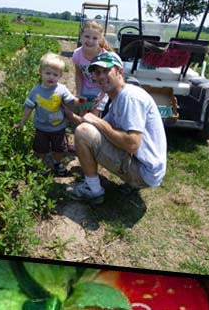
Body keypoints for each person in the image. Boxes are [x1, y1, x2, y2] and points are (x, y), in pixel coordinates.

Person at [64, 52, 167, 204]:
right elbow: (97, 131)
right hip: (146, 168)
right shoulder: (118, 99)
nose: (100, 76)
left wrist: (97, 122)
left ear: (119, 72)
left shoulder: (130, 97)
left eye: (106, 71)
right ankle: (129, 183)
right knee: (87, 130)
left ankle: (93, 190)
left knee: (83, 132)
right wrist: (70, 115)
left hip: (145, 172)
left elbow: (132, 144)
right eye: (97, 73)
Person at [14, 52, 81, 176]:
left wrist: (79, 101)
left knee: (59, 148)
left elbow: (71, 101)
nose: (51, 77)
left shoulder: (61, 89)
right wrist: (21, 122)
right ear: (41, 72)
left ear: (60, 75)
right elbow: (29, 107)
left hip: (58, 127)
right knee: (41, 148)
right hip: (41, 127)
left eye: (55, 75)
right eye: (48, 73)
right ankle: (42, 164)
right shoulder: (36, 90)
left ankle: (58, 163)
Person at [72, 20, 114, 115]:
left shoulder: (104, 56)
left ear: (100, 40)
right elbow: (78, 75)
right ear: (81, 37)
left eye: (94, 38)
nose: (90, 41)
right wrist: (78, 93)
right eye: (87, 36)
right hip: (85, 87)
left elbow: (108, 79)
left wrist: (102, 96)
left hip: (101, 88)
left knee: (94, 114)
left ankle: (94, 129)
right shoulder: (77, 54)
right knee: (83, 112)